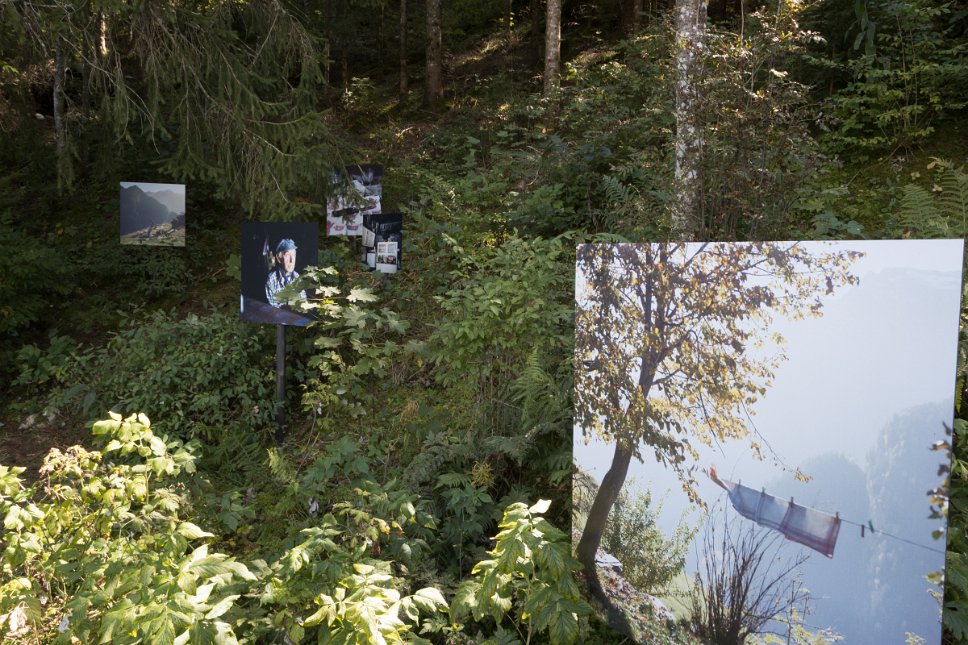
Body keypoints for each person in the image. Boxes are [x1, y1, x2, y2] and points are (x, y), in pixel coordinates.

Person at [265, 238, 306, 307]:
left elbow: (304, 303)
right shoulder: (271, 279)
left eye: (293, 255)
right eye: (287, 255)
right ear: (279, 258)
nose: (291, 260)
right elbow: (273, 310)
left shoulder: (297, 277)